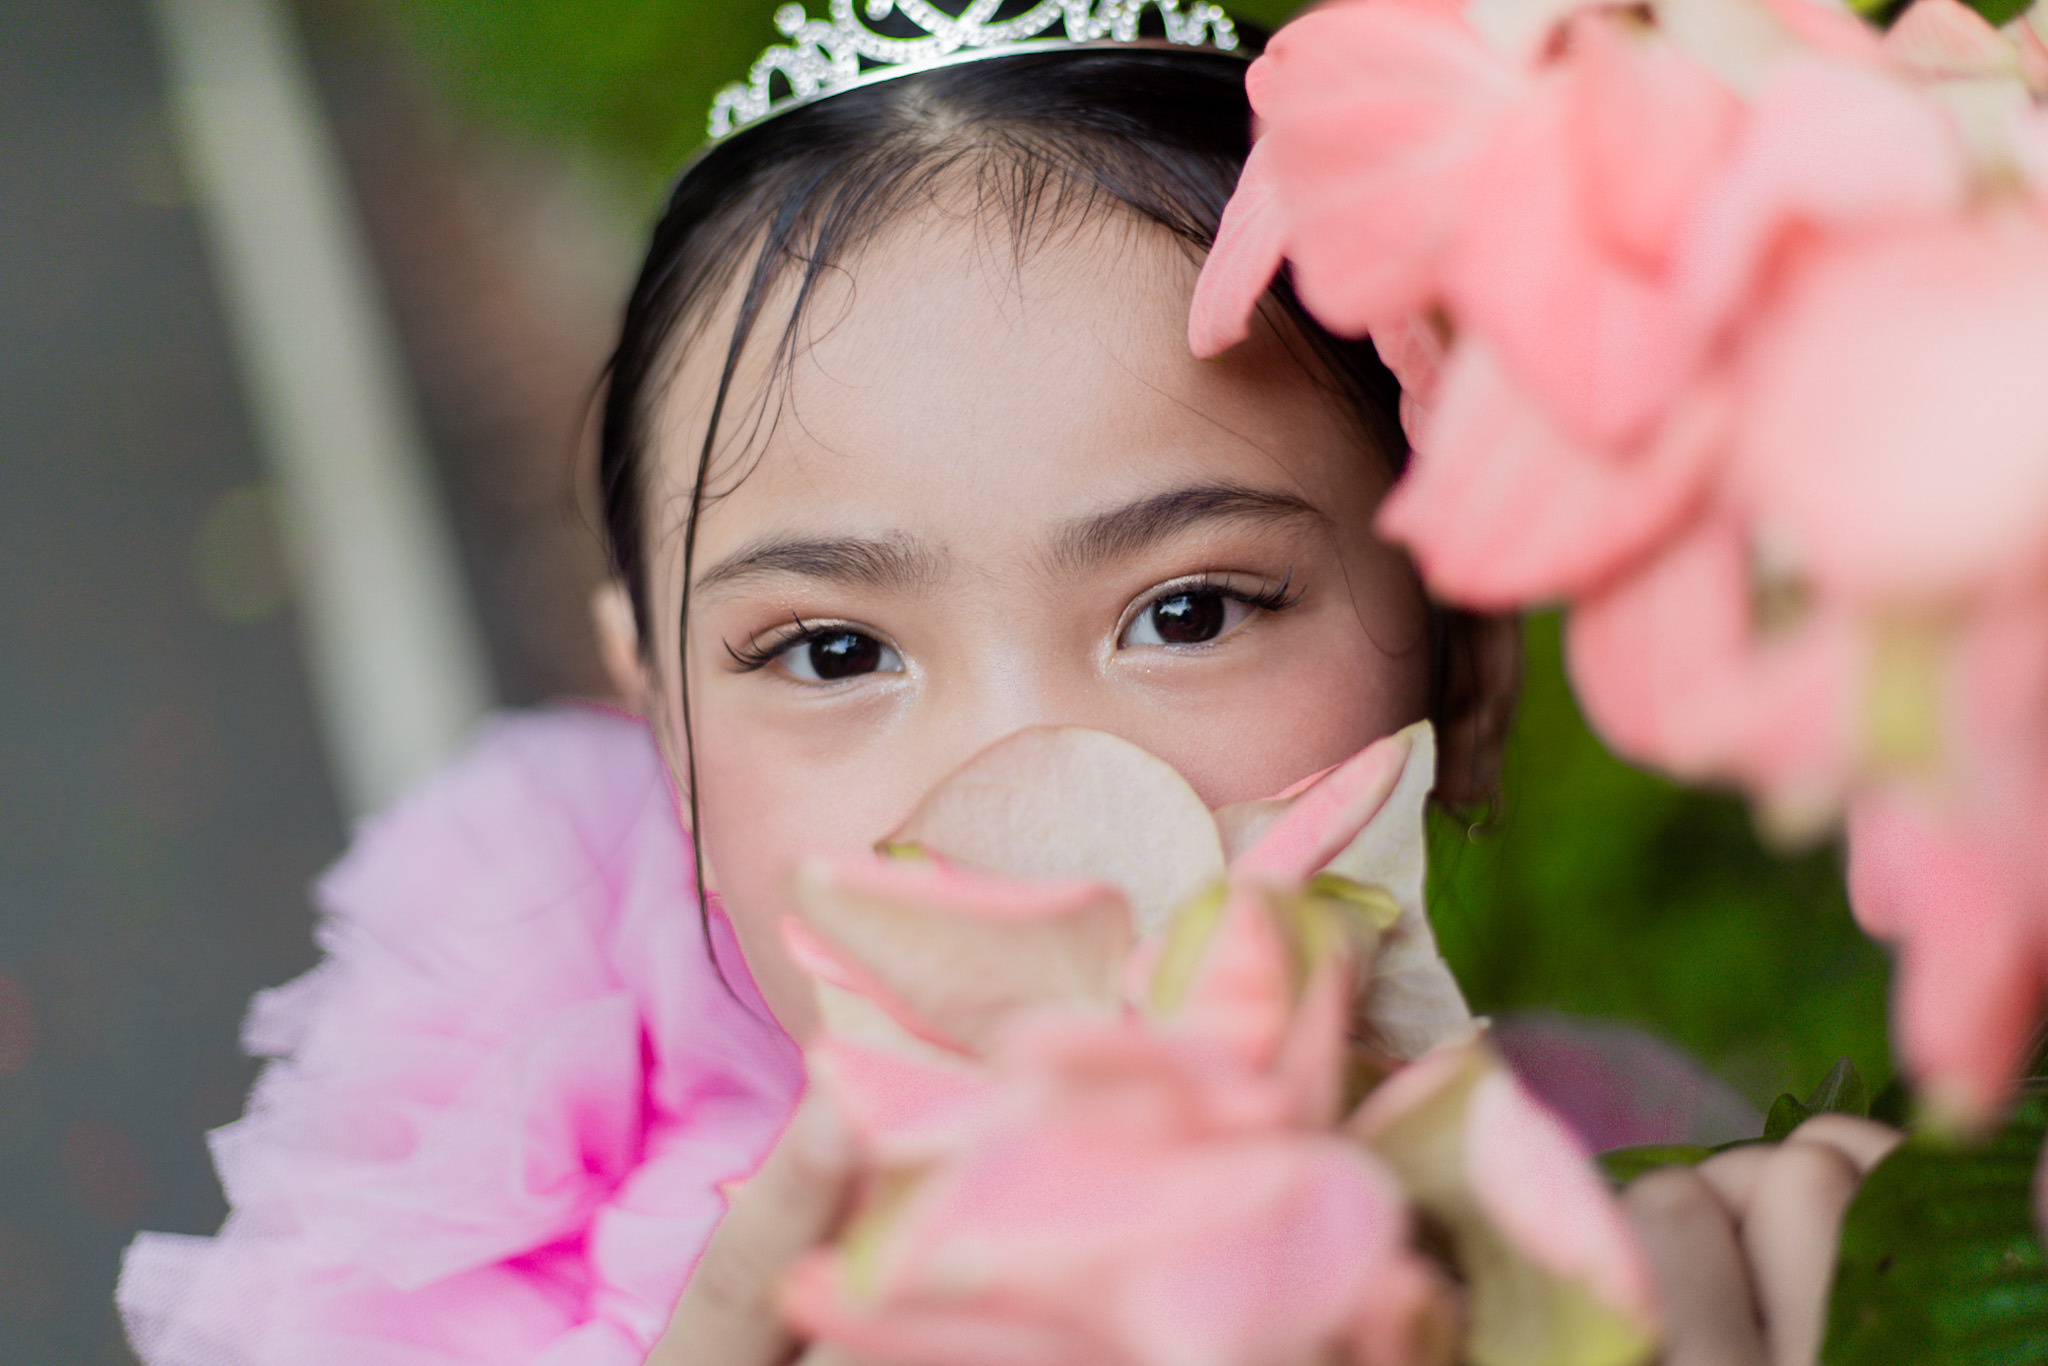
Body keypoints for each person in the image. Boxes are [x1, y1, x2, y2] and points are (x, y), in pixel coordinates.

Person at [119, 6, 1902, 1365]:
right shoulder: (466, 1296)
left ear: (1473, 662)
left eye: (1192, 611)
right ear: (659, 721)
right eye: (831, 652)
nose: (1023, 799)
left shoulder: (1669, 1231)